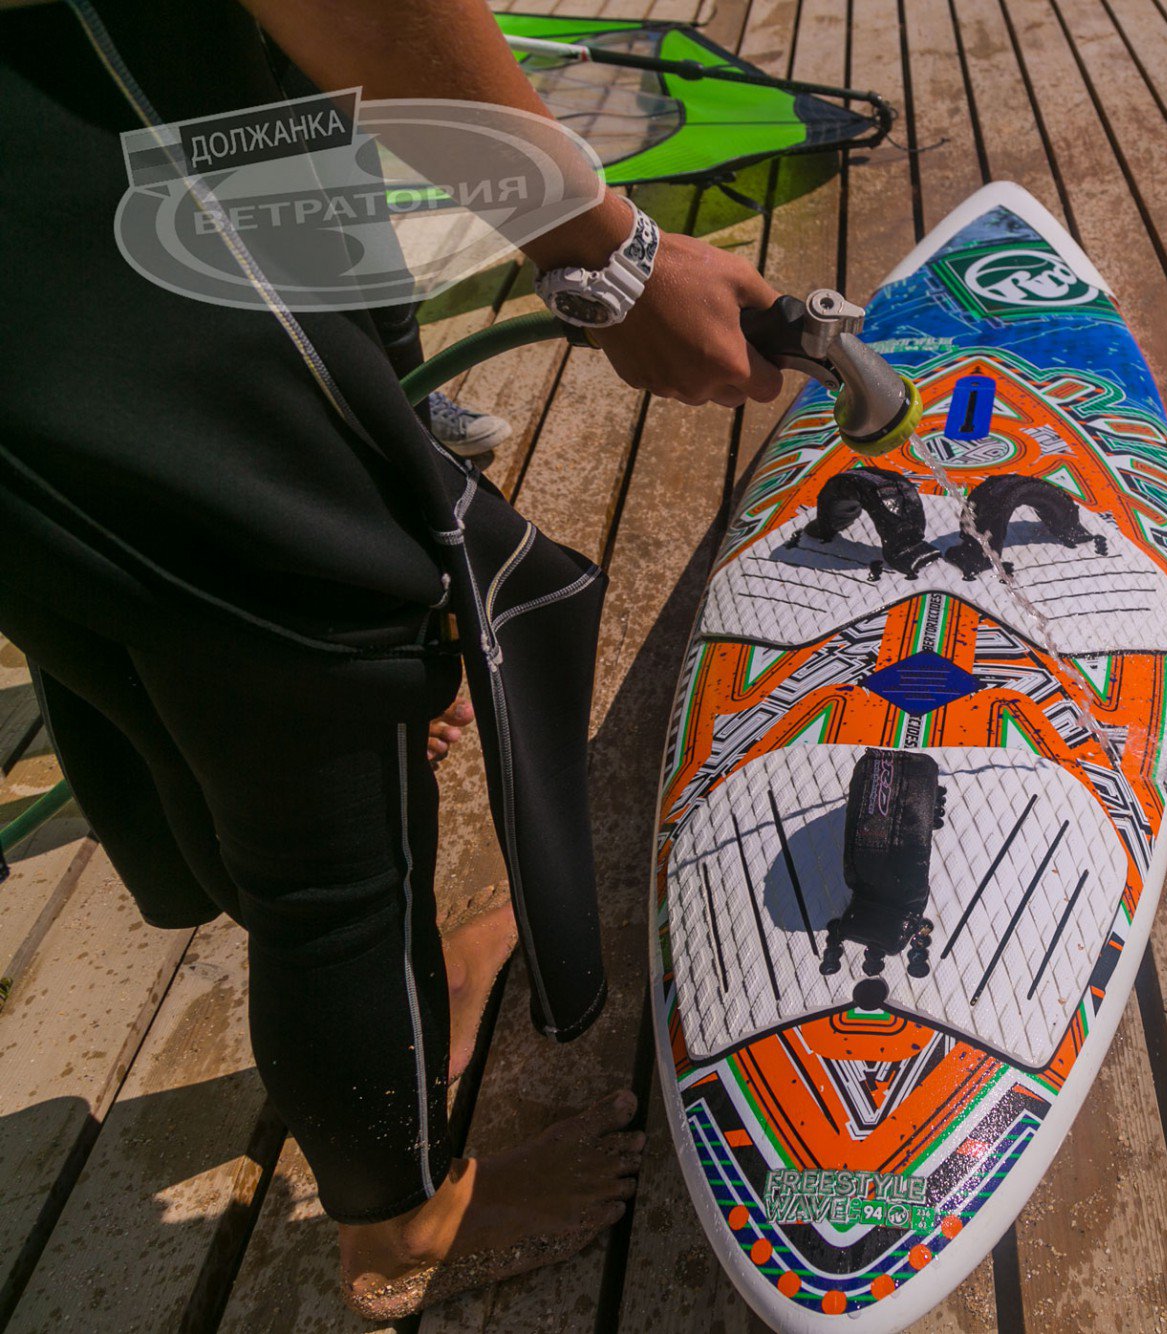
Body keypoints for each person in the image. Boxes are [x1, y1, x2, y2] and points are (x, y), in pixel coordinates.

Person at [0, 0, 782, 1316]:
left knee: (173, 664)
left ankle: (410, 990)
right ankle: (405, 1228)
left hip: (76, 223)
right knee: (331, 804)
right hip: (139, 223)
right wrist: (607, 250)